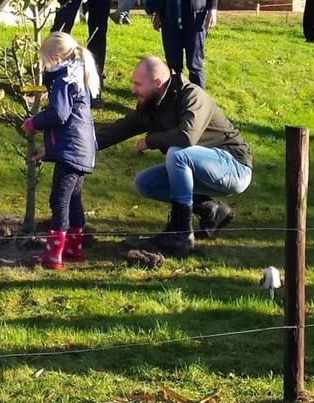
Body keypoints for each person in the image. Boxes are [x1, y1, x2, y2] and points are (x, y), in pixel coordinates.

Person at [96, 56, 252, 257]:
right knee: (145, 182)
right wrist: (67, 148)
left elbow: (187, 136)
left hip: (234, 167)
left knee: (177, 153)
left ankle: (180, 233)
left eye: (137, 84)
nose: (133, 90)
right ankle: (210, 210)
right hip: (202, 169)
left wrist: (149, 141)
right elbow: (117, 130)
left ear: (158, 83)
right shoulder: (152, 104)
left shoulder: (192, 95)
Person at [21, 32, 100, 270]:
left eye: (44, 60)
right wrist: (49, 149)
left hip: (71, 152)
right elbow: (73, 123)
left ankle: (53, 255)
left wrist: (34, 122)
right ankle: (73, 249)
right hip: (81, 149)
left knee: (59, 200)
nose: (43, 66)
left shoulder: (63, 80)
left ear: (54, 57)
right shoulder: (77, 75)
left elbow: (59, 115)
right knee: (74, 200)